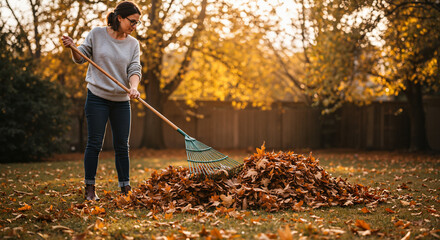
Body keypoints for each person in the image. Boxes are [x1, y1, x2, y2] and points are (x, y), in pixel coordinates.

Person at [62, 1, 142, 201]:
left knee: (122, 145)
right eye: (132, 22)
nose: (135, 26)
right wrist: (73, 47)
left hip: (121, 101)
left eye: (137, 23)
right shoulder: (97, 34)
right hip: (97, 97)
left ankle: (125, 188)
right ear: (120, 18)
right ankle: (90, 188)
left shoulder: (133, 44)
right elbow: (81, 58)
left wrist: (134, 88)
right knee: (95, 143)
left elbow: (134, 69)